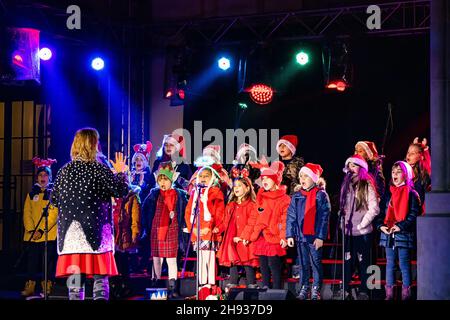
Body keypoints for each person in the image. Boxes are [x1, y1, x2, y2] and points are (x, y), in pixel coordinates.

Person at [50, 127, 130, 300]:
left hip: (71, 237)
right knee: (100, 279)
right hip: (96, 234)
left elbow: (54, 199)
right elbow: (120, 191)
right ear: (93, 145)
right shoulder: (99, 169)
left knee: (75, 284)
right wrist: (121, 172)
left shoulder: (64, 171)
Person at [375, 161, 421, 300]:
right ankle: (389, 295)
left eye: (398, 172)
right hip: (389, 234)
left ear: (406, 175)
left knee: (404, 265)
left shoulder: (411, 193)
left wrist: (401, 226)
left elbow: (413, 214)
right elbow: (380, 213)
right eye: (393, 172)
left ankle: (406, 295)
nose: (395, 174)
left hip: (403, 234)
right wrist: (380, 226)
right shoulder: (388, 193)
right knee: (390, 264)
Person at [142, 161, 189, 298]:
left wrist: (184, 225)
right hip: (157, 229)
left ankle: (172, 287)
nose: (162, 183)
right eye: (160, 180)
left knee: (171, 259)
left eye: (165, 180)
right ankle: (154, 283)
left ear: (171, 180)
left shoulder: (179, 194)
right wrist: (146, 227)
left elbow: (185, 210)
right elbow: (145, 210)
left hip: (172, 229)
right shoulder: (154, 194)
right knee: (157, 258)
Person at [286, 163, 331, 300]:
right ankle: (304, 287)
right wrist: (289, 234)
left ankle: (316, 288)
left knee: (315, 263)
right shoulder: (297, 196)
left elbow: (324, 217)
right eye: (301, 176)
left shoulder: (320, 195)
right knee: (303, 264)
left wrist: (320, 237)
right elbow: (291, 216)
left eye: (306, 176)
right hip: (300, 237)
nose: (302, 179)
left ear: (314, 178)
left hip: (314, 237)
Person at [339, 155, 380, 300]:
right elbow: (343, 207)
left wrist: (362, 224)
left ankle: (365, 291)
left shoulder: (367, 184)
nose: (350, 168)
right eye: (348, 165)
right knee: (347, 261)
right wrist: (342, 222)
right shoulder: (346, 185)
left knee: (365, 263)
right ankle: (345, 289)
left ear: (361, 168)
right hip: (348, 231)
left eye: (354, 165)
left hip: (363, 232)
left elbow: (374, 208)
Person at [249, 161, 291, 289]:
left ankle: (277, 291)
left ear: (275, 180)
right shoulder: (261, 197)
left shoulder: (284, 199)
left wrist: (283, 237)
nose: (265, 180)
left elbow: (285, 220)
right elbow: (254, 216)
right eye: (263, 178)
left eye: (268, 178)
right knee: (263, 266)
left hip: (274, 237)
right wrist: (248, 235)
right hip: (261, 237)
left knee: (274, 266)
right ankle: (265, 289)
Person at [185, 157, 225, 287]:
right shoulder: (195, 193)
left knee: (209, 258)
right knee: (201, 259)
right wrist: (193, 228)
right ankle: (202, 286)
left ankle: (211, 285)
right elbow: (188, 212)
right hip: (197, 231)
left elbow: (218, 212)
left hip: (209, 231)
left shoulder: (216, 193)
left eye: (206, 176)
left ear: (212, 178)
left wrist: (208, 227)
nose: (203, 178)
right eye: (200, 175)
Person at [21, 157, 58, 297]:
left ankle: (47, 285)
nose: (43, 177)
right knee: (32, 262)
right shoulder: (31, 194)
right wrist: (32, 230)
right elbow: (27, 213)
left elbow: (54, 214)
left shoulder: (53, 194)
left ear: (50, 177)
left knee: (47, 262)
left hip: (48, 234)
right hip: (32, 235)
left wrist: (42, 230)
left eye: (45, 175)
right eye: (40, 175)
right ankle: (30, 286)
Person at [216, 168, 259, 288]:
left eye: (239, 186)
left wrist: (243, 236)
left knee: (247, 261)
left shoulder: (252, 205)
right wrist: (218, 229)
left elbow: (252, 222)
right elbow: (225, 222)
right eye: (235, 186)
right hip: (232, 238)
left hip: (245, 238)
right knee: (232, 260)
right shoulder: (231, 205)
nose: (236, 188)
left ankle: (251, 285)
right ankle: (233, 285)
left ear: (247, 188)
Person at [111, 183, 141, 299]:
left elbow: (135, 217)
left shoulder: (131, 197)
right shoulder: (110, 195)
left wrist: (135, 232)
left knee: (123, 261)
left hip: (124, 234)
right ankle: (114, 286)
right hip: (112, 234)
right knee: (114, 261)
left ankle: (125, 286)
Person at [405, 137, 431, 210]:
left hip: (417, 208)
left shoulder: (422, 172)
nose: (408, 155)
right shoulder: (404, 170)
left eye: (412, 153)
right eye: (408, 152)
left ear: (420, 157)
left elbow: (427, 165)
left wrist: (425, 150)